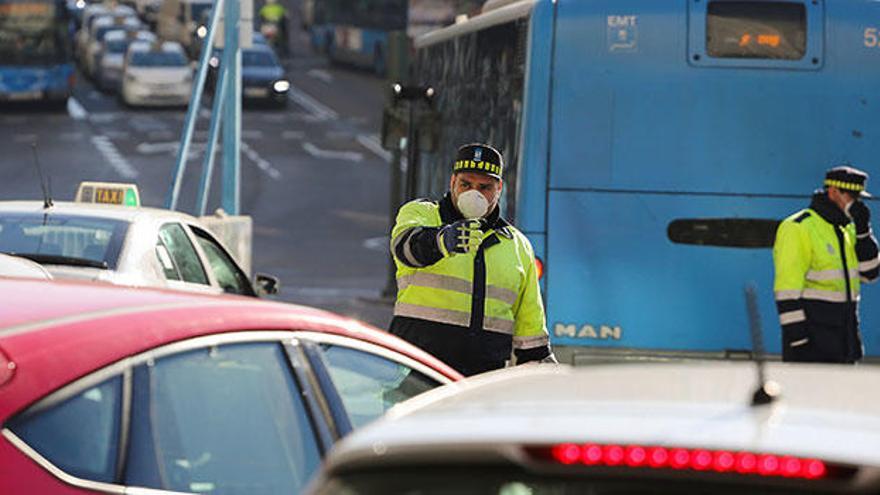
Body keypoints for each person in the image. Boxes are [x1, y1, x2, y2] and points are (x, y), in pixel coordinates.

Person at [389, 143, 555, 376]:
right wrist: (443, 240)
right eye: (465, 184)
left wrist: (545, 376)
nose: (473, 193)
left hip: (481, 383)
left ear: (499, 189)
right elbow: (406, 248)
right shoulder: (422, 214)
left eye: (484, 187)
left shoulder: (517, 246)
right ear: (452, 182)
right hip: (417, 374)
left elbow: (530, 330)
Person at [773, 165, 880, 363]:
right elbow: (787, 290)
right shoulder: (799, 227)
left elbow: (870, 273)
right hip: (812, 342)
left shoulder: (847, 229)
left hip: (845, 340)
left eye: (859, 197)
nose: (856, 203)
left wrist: (864, 231)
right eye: (851, 196)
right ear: (833, 192)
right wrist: (798, 342)